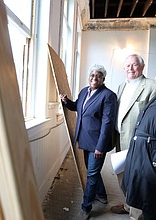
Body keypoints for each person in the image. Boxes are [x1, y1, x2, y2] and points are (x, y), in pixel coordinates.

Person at [60, 64, 117, 220]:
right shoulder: (84, 91)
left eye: (98, 75)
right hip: (84, 138)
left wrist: (100, 147)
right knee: (92, 171)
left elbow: (107, 123)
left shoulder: (108, 96)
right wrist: (66, 102)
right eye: (92, 75)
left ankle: (86, 207)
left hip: (98, 142)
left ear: (103, 79)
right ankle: (102, 195)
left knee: (91, 174)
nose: (94, 78)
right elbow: (77, 107)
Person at [110, 54, 156, 219]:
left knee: (137, 177)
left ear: (142, 67)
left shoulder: (152, 86)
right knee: (122, 174)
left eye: (134, 65)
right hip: (119, 137)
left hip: (137, 141)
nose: (130, 68)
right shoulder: (121, 86)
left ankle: (136, 214)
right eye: (127, 66)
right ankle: (127, 204)